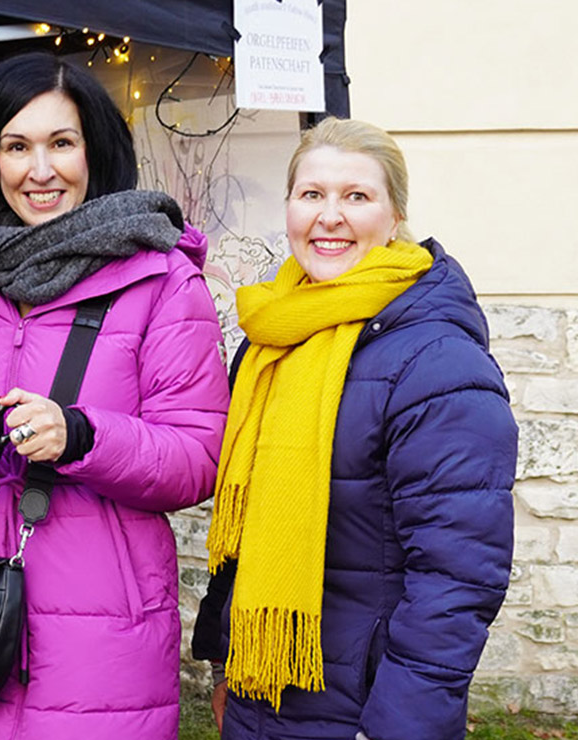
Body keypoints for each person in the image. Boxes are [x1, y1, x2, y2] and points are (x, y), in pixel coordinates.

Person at [0, 52, 229, 739]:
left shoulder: (160, 277)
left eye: (60, 143)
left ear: (94, 152)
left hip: (104, 641)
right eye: (17, 146)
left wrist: (81, 436)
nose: (39, 170)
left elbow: (199, 456)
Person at [193, 117, 517, 740]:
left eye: (357, 196)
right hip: (262, 695)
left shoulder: (437, 362)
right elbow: (244, 536)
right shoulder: (270, 339)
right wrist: (225, 664)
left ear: (394, 216)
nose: (329, 216)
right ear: (288, 207)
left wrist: (400, 726)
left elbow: (456, 580)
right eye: (311, 194)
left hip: (362, 711)